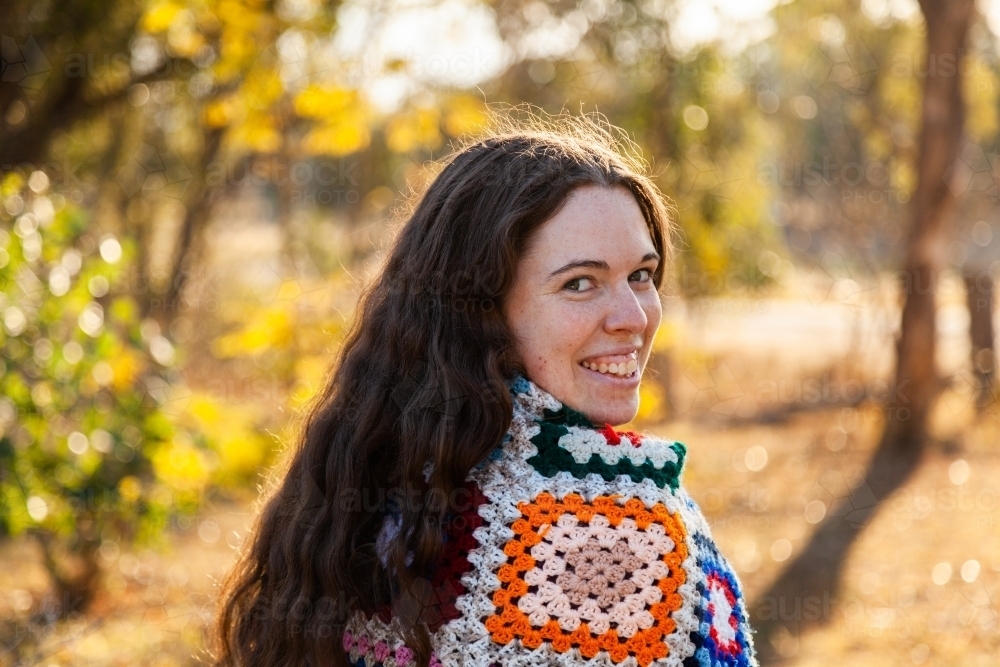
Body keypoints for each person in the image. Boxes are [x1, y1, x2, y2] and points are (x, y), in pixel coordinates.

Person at [211, 115, 757, 667]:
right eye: (580, 283)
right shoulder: (624, 526)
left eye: (642, 274)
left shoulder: (364, 484)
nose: (633, 317)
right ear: (483, 310)